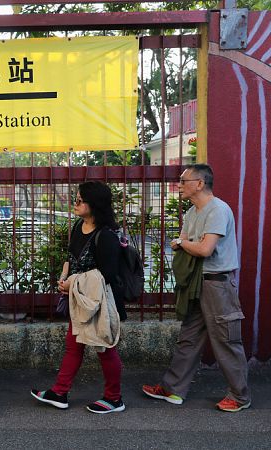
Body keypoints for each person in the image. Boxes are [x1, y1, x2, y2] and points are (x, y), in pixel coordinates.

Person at [142, 164, 251, 412]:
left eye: (183, 180)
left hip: (217, 284)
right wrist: (186, 242)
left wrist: (182, 242)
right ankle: (172, 389)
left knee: (226, 340)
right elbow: (189, 244)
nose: (179, 184)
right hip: (197, 283)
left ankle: (240, 396)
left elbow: (203, 249)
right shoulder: (192, 212)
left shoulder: (218, 210)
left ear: (200, 183)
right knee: (189, 338)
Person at [31, 181, 127, 414]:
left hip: (100, 303)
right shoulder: (78, 226)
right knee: (73, 347)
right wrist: (65, 278)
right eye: (76, 198)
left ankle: (114, 399)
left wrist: (73, 283)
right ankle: (59, 392)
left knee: (105, 349)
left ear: (94, 204)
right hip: (80, 299)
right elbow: (71, 257)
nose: (75, 203)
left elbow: (107, 274)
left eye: (80, 200)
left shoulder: (106, 236)